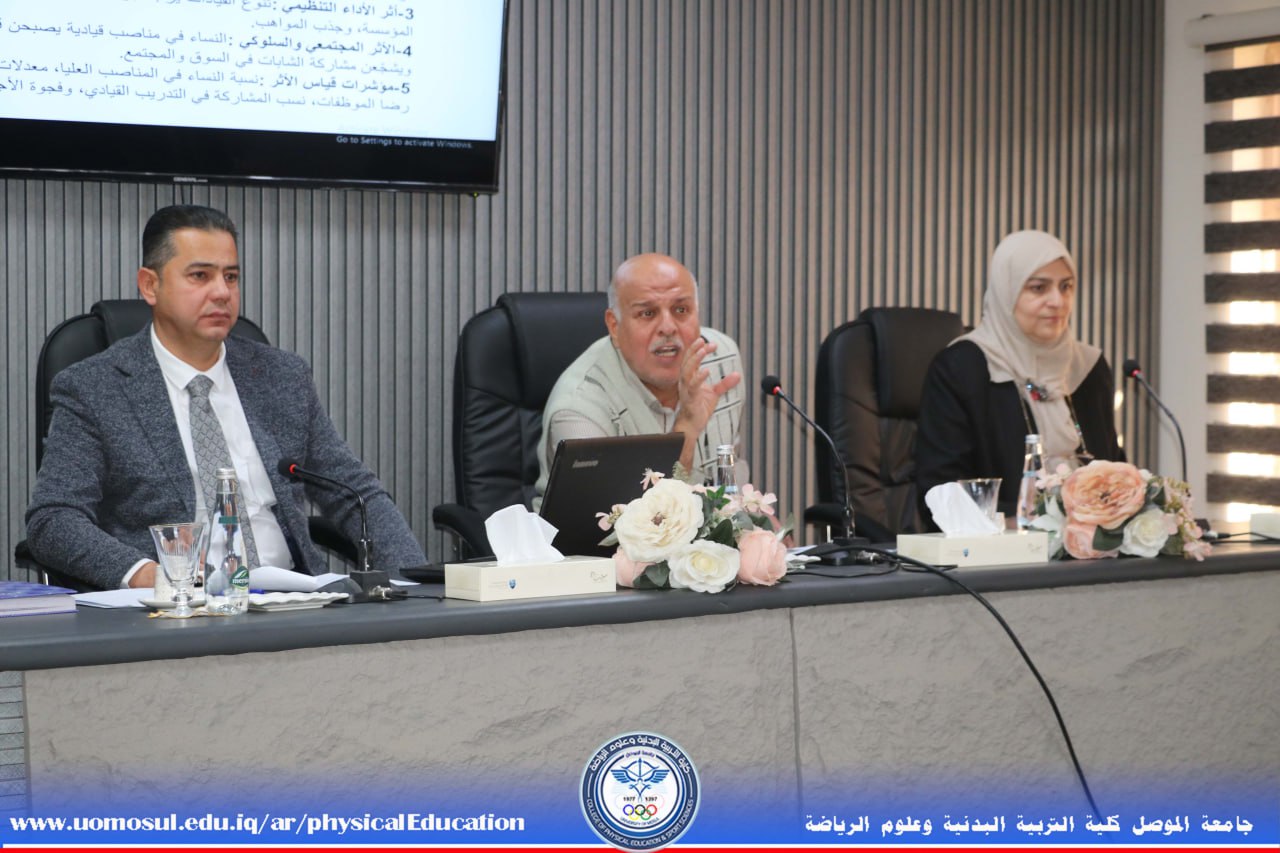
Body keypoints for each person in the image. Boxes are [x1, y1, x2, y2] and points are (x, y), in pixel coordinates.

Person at [25, 204, 426, 590]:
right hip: (175, 610)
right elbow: (54, 520)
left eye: (231, 277)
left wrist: (418, 584)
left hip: (295, 602)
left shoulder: (282, 376)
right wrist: (151, 576)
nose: (221, 292)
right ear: (150, 285)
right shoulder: (95, 388)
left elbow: (355, 493)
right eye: (200, 276)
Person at [915, 229, 1123, 524]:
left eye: (1066, 286)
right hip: (999, 547)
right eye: (1039, 288)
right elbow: (941, 494)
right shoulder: (962, 368)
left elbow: (1114, 471)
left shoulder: (1088, 367)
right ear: (1007, 292)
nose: (1058, 301)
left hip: (1089, 544)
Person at [536, 253, 745, 496]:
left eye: (681, 309)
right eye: (648, 313)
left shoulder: (722, 360)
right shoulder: (579, 410)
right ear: (614, 326)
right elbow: (613, 518)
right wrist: (687, 428)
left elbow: (729, 481)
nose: (668, 327)